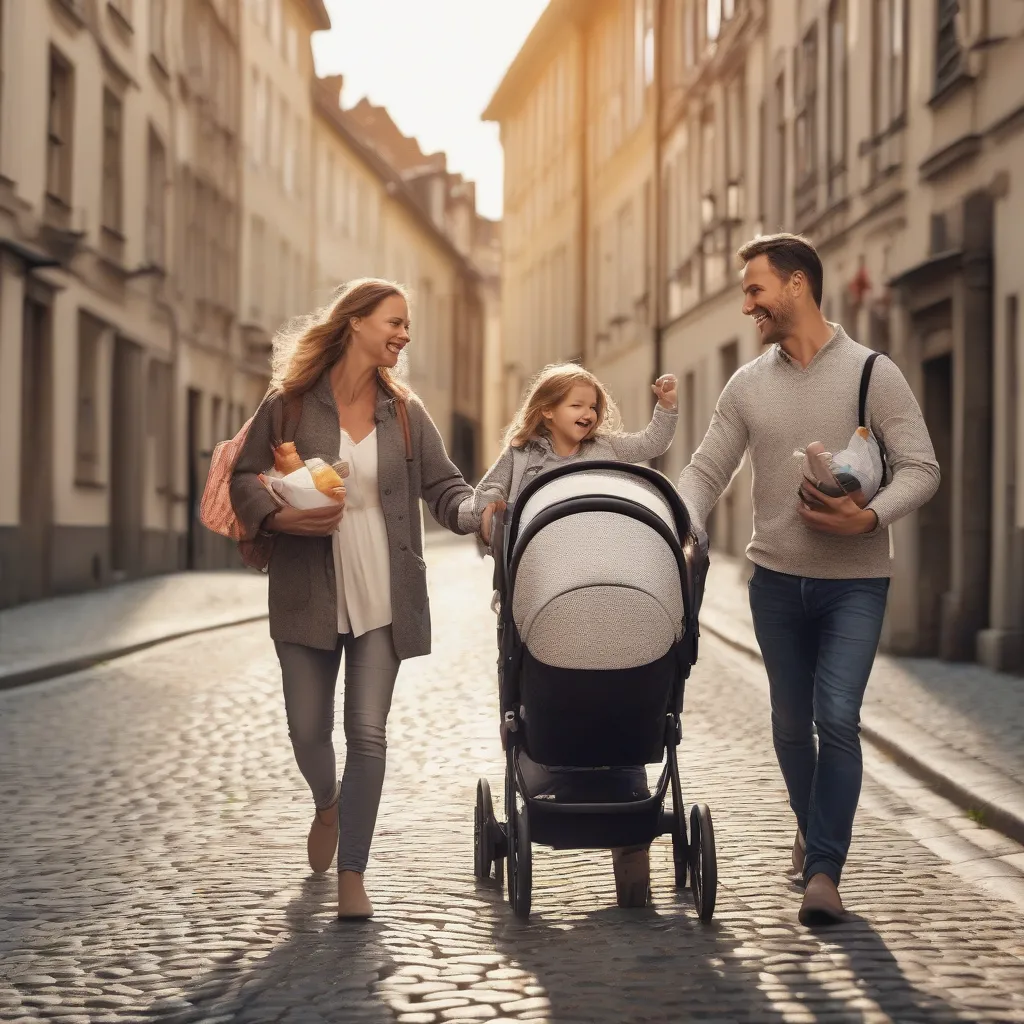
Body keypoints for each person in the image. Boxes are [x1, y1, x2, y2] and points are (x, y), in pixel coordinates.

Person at [676, 234, 940, 926]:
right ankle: (814, 822)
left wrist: (868, 520)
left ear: (796, 285)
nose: (746, 304)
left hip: (855, 582)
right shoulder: (746, 384)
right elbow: (708, 468)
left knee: (836, 718)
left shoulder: (871, 373)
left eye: (755, 289)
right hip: (774, 582)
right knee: (791, 727)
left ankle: (824, 871)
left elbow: (922, 467)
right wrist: (669, 519)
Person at [230, 278, 476, 920]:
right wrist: (277, 519)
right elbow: (242, 476)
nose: (404, 335)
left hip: (385, 586)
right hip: (308, 582)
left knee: (367, 732)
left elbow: (444, 486)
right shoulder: (287, 405)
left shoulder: (404, 413)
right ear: (356, 322)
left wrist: (479, 511)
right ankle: (327, 801)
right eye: (394, 322)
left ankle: (353, 873)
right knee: (307, 729)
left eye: (407, 325)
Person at [472, 362, 679, 908]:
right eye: (575, 405)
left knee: (621, 683)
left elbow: (650, 446)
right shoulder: (521, 457)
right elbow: (482, 497)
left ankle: (628, 839)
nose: (587, 414)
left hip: (608, 592)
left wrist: (667, 407)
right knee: (545, 680)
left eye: (593, 405)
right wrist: (487, 515)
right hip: (538, 596)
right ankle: (553, 774)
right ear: (546, 411)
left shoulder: (606, 452)